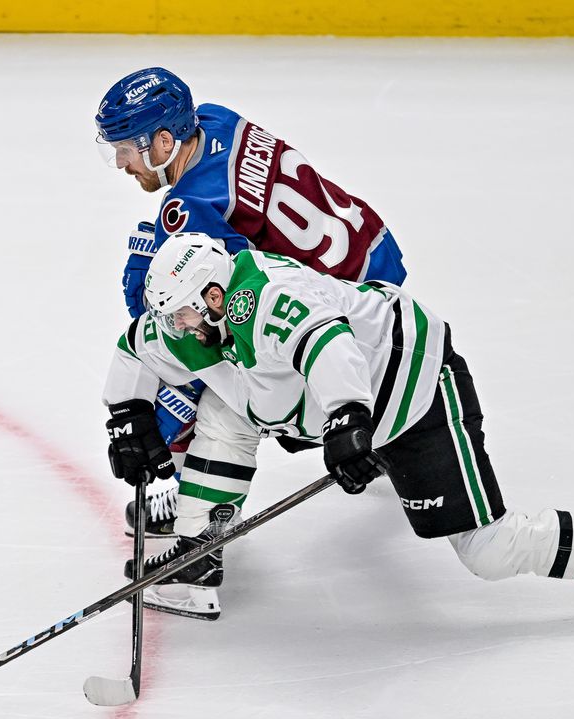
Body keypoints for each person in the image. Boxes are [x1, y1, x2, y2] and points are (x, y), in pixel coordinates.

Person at [101, 232, 574, 626]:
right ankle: (195, 556)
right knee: (225, 410)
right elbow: (136, 348)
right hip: (318, 404)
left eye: (181, 313)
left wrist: (348, 420)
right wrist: (126, 416)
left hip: (409, 393)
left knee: (489, 551)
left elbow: (328, 346)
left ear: (213, 294)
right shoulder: (196, 321)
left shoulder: (266, 298)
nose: (176, 328)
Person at [95, 66, 409, 538]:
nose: (121, 163)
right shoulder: (215, 120)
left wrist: (146, 272)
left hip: (339, 323)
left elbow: (204, 318)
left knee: (188, 378)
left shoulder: (190, 209)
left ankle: (199, 501)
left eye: (125, 149)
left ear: (163, 143)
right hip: (377, 272)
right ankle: (389, 426)